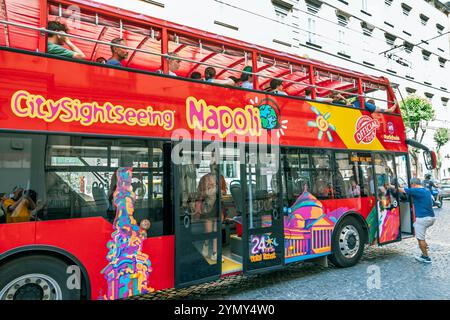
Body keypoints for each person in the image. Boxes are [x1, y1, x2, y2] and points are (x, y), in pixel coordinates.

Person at [391, 178, 435, 263]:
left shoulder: (417, 190)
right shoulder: (426, 190)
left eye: (411, 185)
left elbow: (400, 189)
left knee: (420, 238)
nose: (411, 187)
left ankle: (426, 257)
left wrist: (389, 186)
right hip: (431, 218)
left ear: (413, 184)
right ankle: (424, 248)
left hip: (423, 219)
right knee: (417, 229)